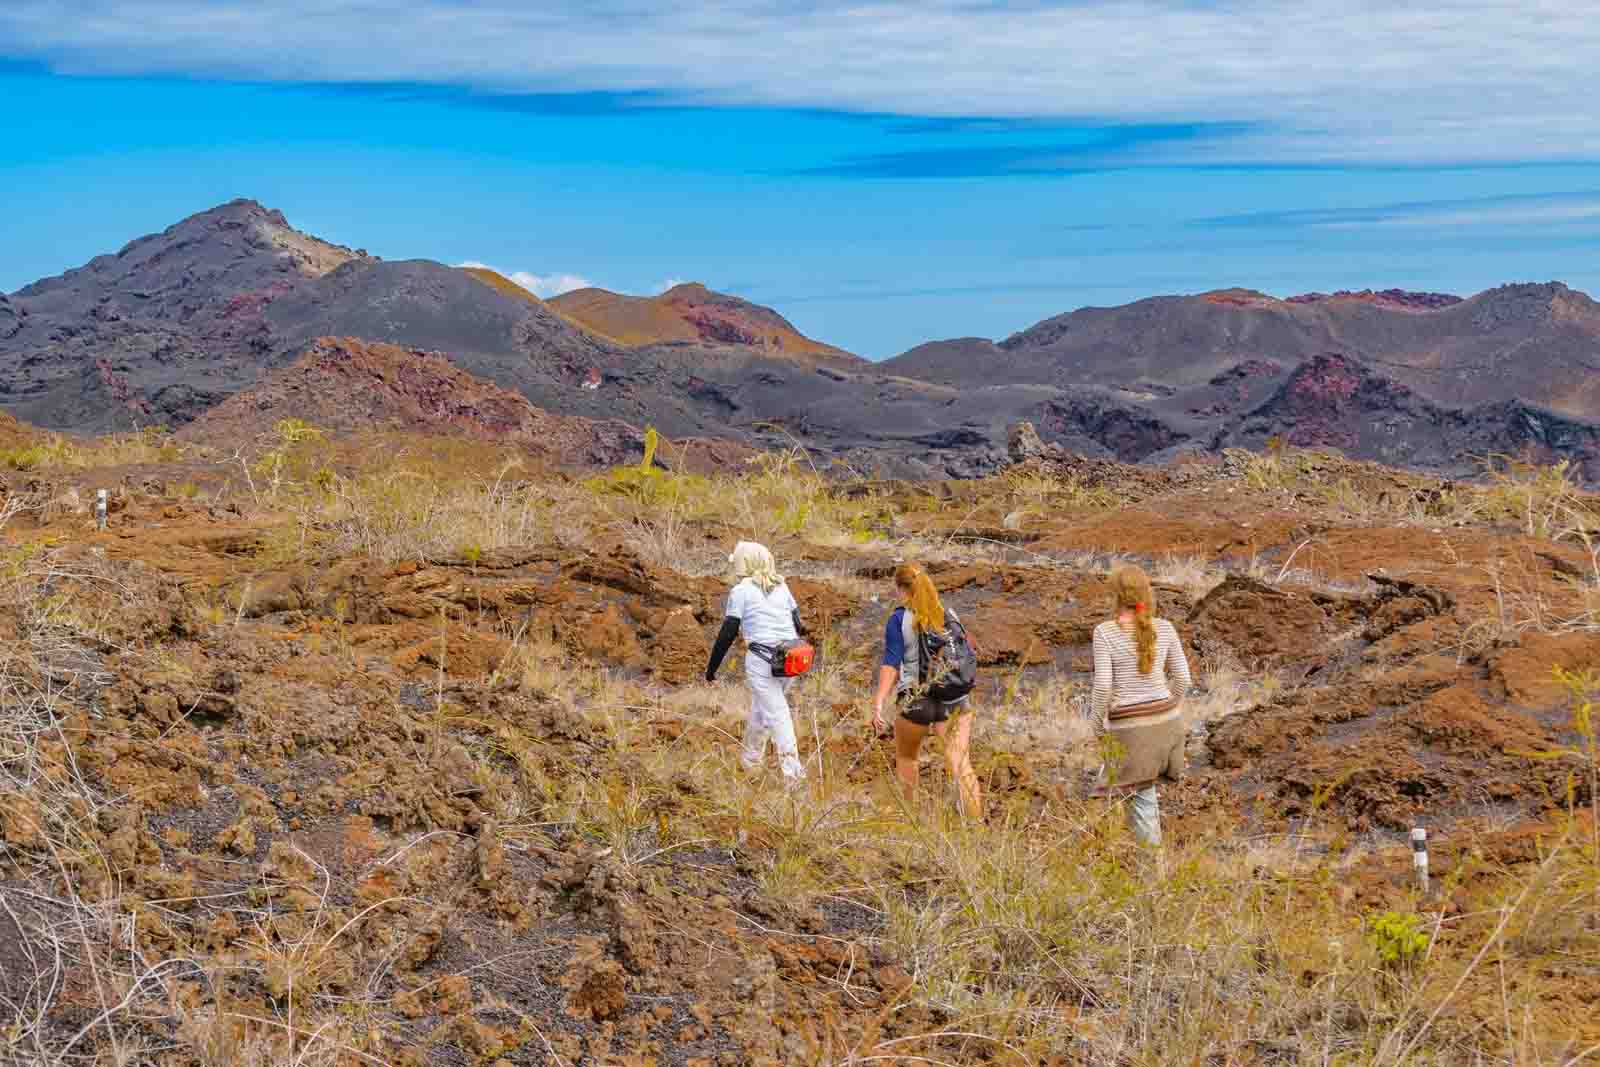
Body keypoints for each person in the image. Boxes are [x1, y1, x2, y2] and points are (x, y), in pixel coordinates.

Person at [1090, 564, 1191, 848]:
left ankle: (1152, 880)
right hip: (1169, 726)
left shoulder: (1105, 632)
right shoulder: (1166, 628)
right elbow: (1183, 678)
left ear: (1115, 596)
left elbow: (1103, 687)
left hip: (1133, 731)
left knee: (1141, 799)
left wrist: (1098, 727)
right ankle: (1107, 845)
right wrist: (1168, 709)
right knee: (1124, 790)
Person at [871, 562, 982, 818]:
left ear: (901, 589)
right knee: (960, 762)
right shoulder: (949, 614)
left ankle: (910, 820)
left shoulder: (899, 619)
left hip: (915, 701)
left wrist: (879, 702)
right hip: (954, 698)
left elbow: (891, 663)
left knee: (908, 758)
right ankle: (975, 827)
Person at [705, 541, 807, 783]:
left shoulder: (741, 591)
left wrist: (712, 667)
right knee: (762, 711)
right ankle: (750, 762)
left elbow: (728, 631)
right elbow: (798, 624)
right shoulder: (782, 586)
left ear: (744, 563)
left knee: (778, 715)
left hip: (762, 661)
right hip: (790, 659)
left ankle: (795, 777)